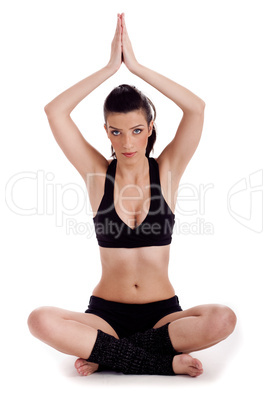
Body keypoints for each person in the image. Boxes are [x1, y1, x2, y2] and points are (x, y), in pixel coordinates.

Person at [27, 13, 236, 377]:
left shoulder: (167, 171)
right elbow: (55, 111)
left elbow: (196, 108)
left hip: (162, 316)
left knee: (223, 319)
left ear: (150, 127)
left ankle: (111, 356)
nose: (127, 142)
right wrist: (111, 67)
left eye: (137, 130)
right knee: (38, 320)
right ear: (106, 131)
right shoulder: (97, 175)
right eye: (117, 132)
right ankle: (159, 363)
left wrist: (135, 67)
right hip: (106, 316)